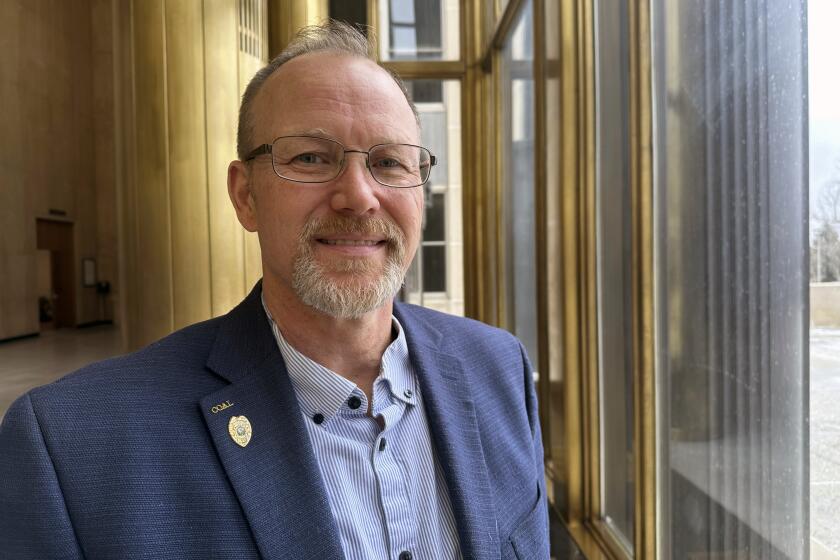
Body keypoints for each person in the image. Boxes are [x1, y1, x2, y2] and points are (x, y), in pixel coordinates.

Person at [0, 21, 548, 560]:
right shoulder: (75, 446)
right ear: (245, 196)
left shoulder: (498, 366)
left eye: (388, 162)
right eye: (311, 157)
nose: (358, 197)